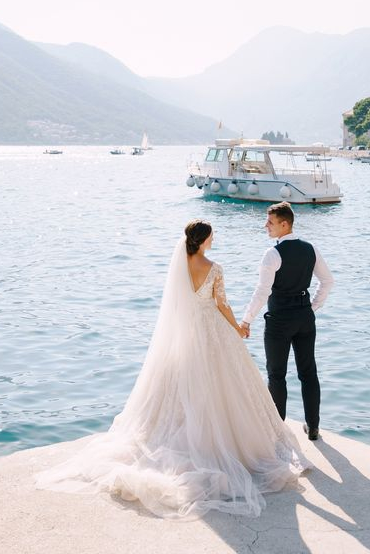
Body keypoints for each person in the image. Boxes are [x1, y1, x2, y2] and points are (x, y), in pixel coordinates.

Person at [35, 220, 309, 519]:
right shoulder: (214, 267)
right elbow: (222, 305)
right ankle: (226, 441)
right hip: (213, 331)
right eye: (212, 236)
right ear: (204, 239)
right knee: (223, 383)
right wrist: (239, 329)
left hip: (186, 333)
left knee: (182, 382)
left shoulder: (180, 265)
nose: (214, 239)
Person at [238, 202, 334, 441]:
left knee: (276, 374)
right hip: (304, 318)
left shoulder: (273, 254)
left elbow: (262, 291)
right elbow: (328, 281)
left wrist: (246, 320)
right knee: (308, 372)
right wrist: (311, 307)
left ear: (284, 224)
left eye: (269, 222)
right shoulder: (311, 248)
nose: (265, 226)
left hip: (280, 319)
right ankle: (313, 428)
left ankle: (278, 431)